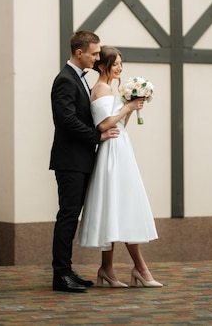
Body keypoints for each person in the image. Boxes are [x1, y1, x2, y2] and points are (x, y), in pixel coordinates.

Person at [78, 45, 162, 288]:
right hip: (112, 151)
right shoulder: (102, 88)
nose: (120, 68)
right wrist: (127, 107)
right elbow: (103, 125)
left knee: (117, 206)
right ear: (103, 65)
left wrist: (131, 105)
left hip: (121, 147)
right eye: (115, 64)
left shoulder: (111, 89)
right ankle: (140, 269)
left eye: (121, 64)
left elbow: (119, 124)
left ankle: (107, 269)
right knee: (121, 203)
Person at [50, 30, 120, 293]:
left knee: (71, 216)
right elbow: (66, 120)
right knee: (67, 216)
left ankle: (66, 271)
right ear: (79, 53)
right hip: (70, 160)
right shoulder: (65, 80)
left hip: (80, 159)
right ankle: (61, 275)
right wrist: (97, 135)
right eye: (94, 53)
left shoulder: (78, 79)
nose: (97, 57)